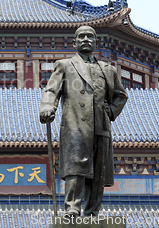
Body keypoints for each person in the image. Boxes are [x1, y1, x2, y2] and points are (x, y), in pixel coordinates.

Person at [39, 26, 128, 218]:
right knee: (76, 167)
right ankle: (72, 208)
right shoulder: (64, 65)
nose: (86, 39)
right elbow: (51, 90)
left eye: (90, 36)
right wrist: (48, 107)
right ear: (74, 42)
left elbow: (121, 96)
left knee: (98, 170)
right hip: (75, 125)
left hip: (101, 126)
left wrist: (111, 111)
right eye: (81, 36)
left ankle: (92, 211)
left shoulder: (108, 69)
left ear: (96, 42)